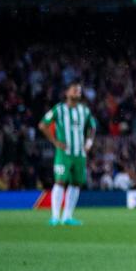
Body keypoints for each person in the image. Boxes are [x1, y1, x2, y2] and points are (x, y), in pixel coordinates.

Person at [40, 81, 96, 227]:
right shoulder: (59, 109)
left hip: (79, 154)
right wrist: (55, 141)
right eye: (74, 90)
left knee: (76, 183)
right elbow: (43, 124)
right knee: (60, 181)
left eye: (79, 90)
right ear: (67, 93)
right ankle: (55, 217)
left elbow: (92, 127)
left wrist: (89, 143)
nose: (77, 92)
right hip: (64, 153)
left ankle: (67, 216)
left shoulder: (84, 111)